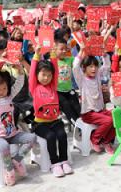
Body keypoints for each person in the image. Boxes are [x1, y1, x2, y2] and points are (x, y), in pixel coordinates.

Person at [0, 62, 36, 186]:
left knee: (32, 138)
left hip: (12, 134)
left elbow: (19, 84)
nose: (1, 91)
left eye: (4, 88)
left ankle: (16, 161)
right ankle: (9, 170)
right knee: (4, 146)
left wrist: (20, 71)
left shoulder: (9, 97)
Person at [29, 45, 73, 177]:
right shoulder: (34, 87)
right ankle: (54, 164)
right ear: (37, 75)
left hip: (55, 120)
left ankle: (64, 161)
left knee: (62, 135)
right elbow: (31, 73)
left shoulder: (53, 85)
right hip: (40, 124)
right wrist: (36, 56)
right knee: (51, 136)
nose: (46, 78)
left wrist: (53, 55)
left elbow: (56, 71)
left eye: (49, 75)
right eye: (43, 74)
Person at [73, 43, 115, 154]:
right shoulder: (81, 79)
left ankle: (106, 141)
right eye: (90, 66)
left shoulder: (97, 76)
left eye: (95, 66)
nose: (94, 69)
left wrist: (105, 55)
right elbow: (75, 67)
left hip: (100, 111)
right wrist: (81, 53)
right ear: (84, 68)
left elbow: (106, 67)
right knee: (108, 121)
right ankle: (95, 140)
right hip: (88, 113)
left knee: (116, 116)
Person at [54, 39, 80, 126]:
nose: (64, 51)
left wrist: (83, 48)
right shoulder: (53, 61)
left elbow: (79, 59)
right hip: (58, 92)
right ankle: (77, 126)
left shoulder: (70, 59)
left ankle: (83, 125)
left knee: (78, 108)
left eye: (65, 49)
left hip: (70, 90)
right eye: (61, 49)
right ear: (55, 49)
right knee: (68, 108)